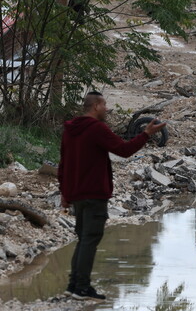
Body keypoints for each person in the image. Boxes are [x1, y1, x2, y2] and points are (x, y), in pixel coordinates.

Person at [58, 91, 166, 301]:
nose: (107, 109)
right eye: (104, 104)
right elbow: (124, 150)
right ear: (96, 106)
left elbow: (63, 163)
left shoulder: (70, 130)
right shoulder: (97, 128)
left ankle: (73, 285)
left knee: (83, 239)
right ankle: (81, 288)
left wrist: (65, 193)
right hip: (94, 193)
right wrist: (146, 134)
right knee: (90, 239)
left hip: (77, 194)